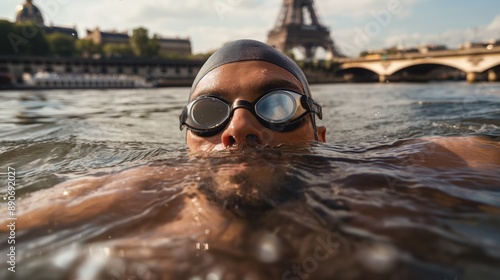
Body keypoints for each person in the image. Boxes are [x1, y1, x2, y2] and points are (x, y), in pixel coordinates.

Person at [2, 39, 499, 279]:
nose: (239, 128)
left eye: (277, 105)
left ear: (319, 133)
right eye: (209, 113)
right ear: (189, 141)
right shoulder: (134, 189)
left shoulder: (411, 166)